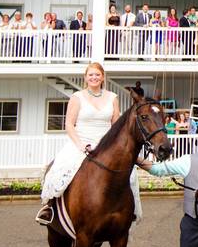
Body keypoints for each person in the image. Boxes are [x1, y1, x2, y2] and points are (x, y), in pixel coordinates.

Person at [36, 62, 141, 223]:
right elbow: (69, 124)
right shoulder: (77, 97)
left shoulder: (113, 97)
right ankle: (49, 207)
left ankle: (128, 209)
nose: (94, 77)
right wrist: (79, 145)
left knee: (129, 173)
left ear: (103, 77)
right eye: (91, 74)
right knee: (60, 169)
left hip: (106, 144)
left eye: (97, 74)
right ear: (86, 78)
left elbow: (116, 125)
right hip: (81, 142)